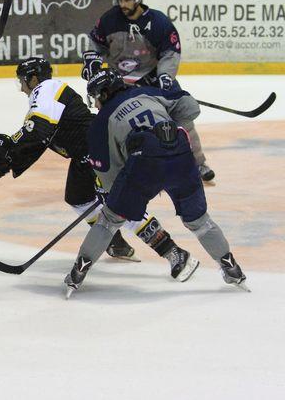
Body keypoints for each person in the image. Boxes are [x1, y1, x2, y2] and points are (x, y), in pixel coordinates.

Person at [0, 57, 198, 279]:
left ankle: (173, 252)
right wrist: (6, 160)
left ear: (33, 79)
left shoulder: (46, 89)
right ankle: (115, 242)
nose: (22, 87)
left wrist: (6, 158)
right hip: (84, 155)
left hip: (98, 152)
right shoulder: (45, 96)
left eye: (22, 81)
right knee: (78, 198)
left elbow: (38, 131)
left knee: (122, 204)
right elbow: (37, 137)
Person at [64, 69, 248, 298]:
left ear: (102, 94)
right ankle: (232, 269)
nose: (96, 104)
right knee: (200, 222)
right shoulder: (148, 93)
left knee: (109, 221)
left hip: (143, 164)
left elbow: (108, 172)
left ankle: (78, 273)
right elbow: (191, 107)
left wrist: (116, 195)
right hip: (181, 155)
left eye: (95, 98)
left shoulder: (101, 122)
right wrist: (168, 126)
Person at [81, 0, 215, 183]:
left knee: (182, 117)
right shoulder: (109, 19)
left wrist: (165, 77)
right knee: (114, 123)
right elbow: (95, 43)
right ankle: (120, 168)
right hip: (119, 85)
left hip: (151, 79)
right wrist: (92, 59)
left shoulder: (158, 21)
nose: (123, 4)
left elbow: (170, 52)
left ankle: (197, 163)